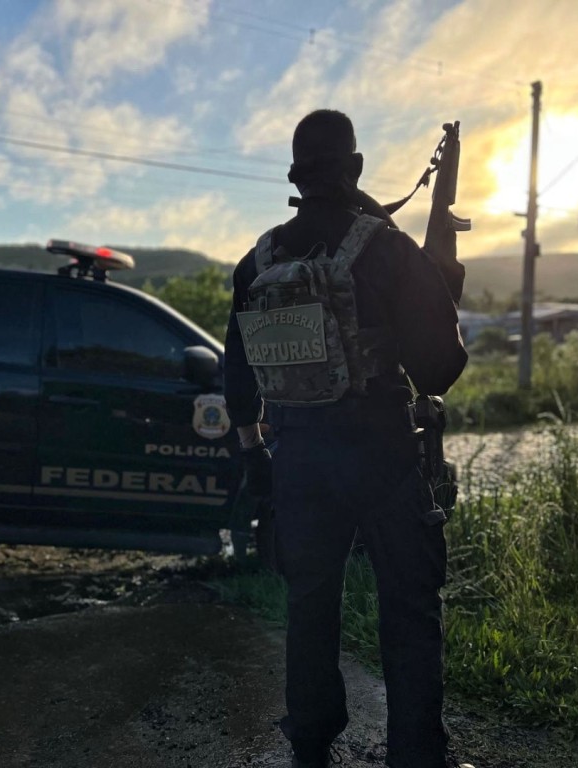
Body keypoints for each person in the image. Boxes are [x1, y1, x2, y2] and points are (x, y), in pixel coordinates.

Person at [224, 109, 471, 768]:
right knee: (408, 610)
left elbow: (238, 378)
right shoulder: (387, 251)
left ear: (294, 178)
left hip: (298, 459)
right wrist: (444, 278)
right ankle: (417, 755)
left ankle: (310, 746)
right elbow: (438, 370)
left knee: (310, 607)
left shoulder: (258, 261)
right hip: (383, 456)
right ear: (355, 168)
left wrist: (255, 457)